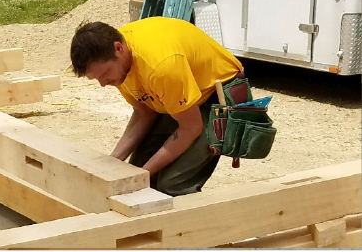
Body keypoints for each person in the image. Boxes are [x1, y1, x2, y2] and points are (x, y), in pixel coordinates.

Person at [69, 17, 244, 196]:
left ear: (119, 48)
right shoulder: (119, 64)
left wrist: (143, 174)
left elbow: (191, 127)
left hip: (217, 96)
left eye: (105, 74)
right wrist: (114, 161)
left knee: (172, 185)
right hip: (179, 96)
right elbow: (144, 112)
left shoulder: (160, 67)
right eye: (96, 78)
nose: (104, 84)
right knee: (133, 173)